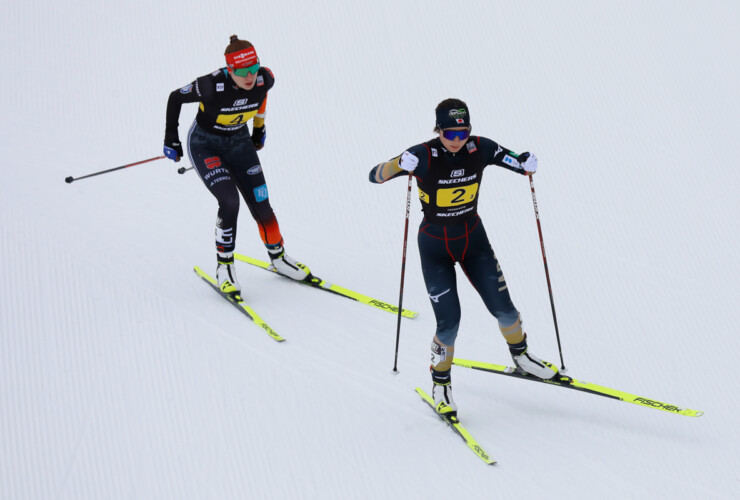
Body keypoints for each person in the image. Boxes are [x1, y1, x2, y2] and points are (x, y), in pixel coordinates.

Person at [369, 98, 558, 417]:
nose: (457, 141)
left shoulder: (480, 148)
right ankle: (441, 384)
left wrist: (525, 162)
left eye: (463, 133)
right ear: (438, 130)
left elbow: (513, 159)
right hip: (434, 248)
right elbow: (375, 175)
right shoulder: (422, 155)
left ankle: (522, 357)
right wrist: (399, 164)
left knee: (505, 309)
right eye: (450, 134)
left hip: (473, 241)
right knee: (449, 321)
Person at [163, 35, 310, 294]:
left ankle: (279, 257)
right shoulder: (210, 85)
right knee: (230, 202)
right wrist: (171, 139)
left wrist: (259, 128)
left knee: (261, 203)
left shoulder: (265, 78)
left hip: (239, 142)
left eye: (253, 68)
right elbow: (175, 98)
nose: (250, 76)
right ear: (230, 69)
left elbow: (261, 97)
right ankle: (225, 268)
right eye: (242, 72)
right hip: (205, 144)